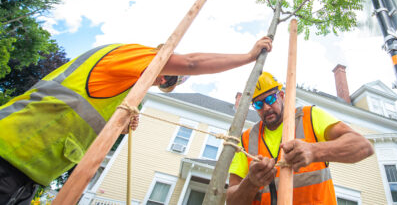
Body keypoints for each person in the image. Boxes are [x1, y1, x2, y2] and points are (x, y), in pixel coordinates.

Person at [0, 37, 272, 205]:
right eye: (167, 76)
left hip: (26, 177)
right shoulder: (132, 54)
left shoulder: (119, 92)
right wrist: (248, 57)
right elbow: (190, 62)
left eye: (169, 83)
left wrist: (118, 123)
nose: (162, 80)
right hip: (9, 154)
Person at [226, 72, 374, 205]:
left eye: (270, 99)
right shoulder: (245, 140)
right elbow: (231, 201)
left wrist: (314, 151)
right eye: (258, 104)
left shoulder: (310, 116)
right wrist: (250, 183)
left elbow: (363, 146)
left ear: (282, 96)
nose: (266, 107)